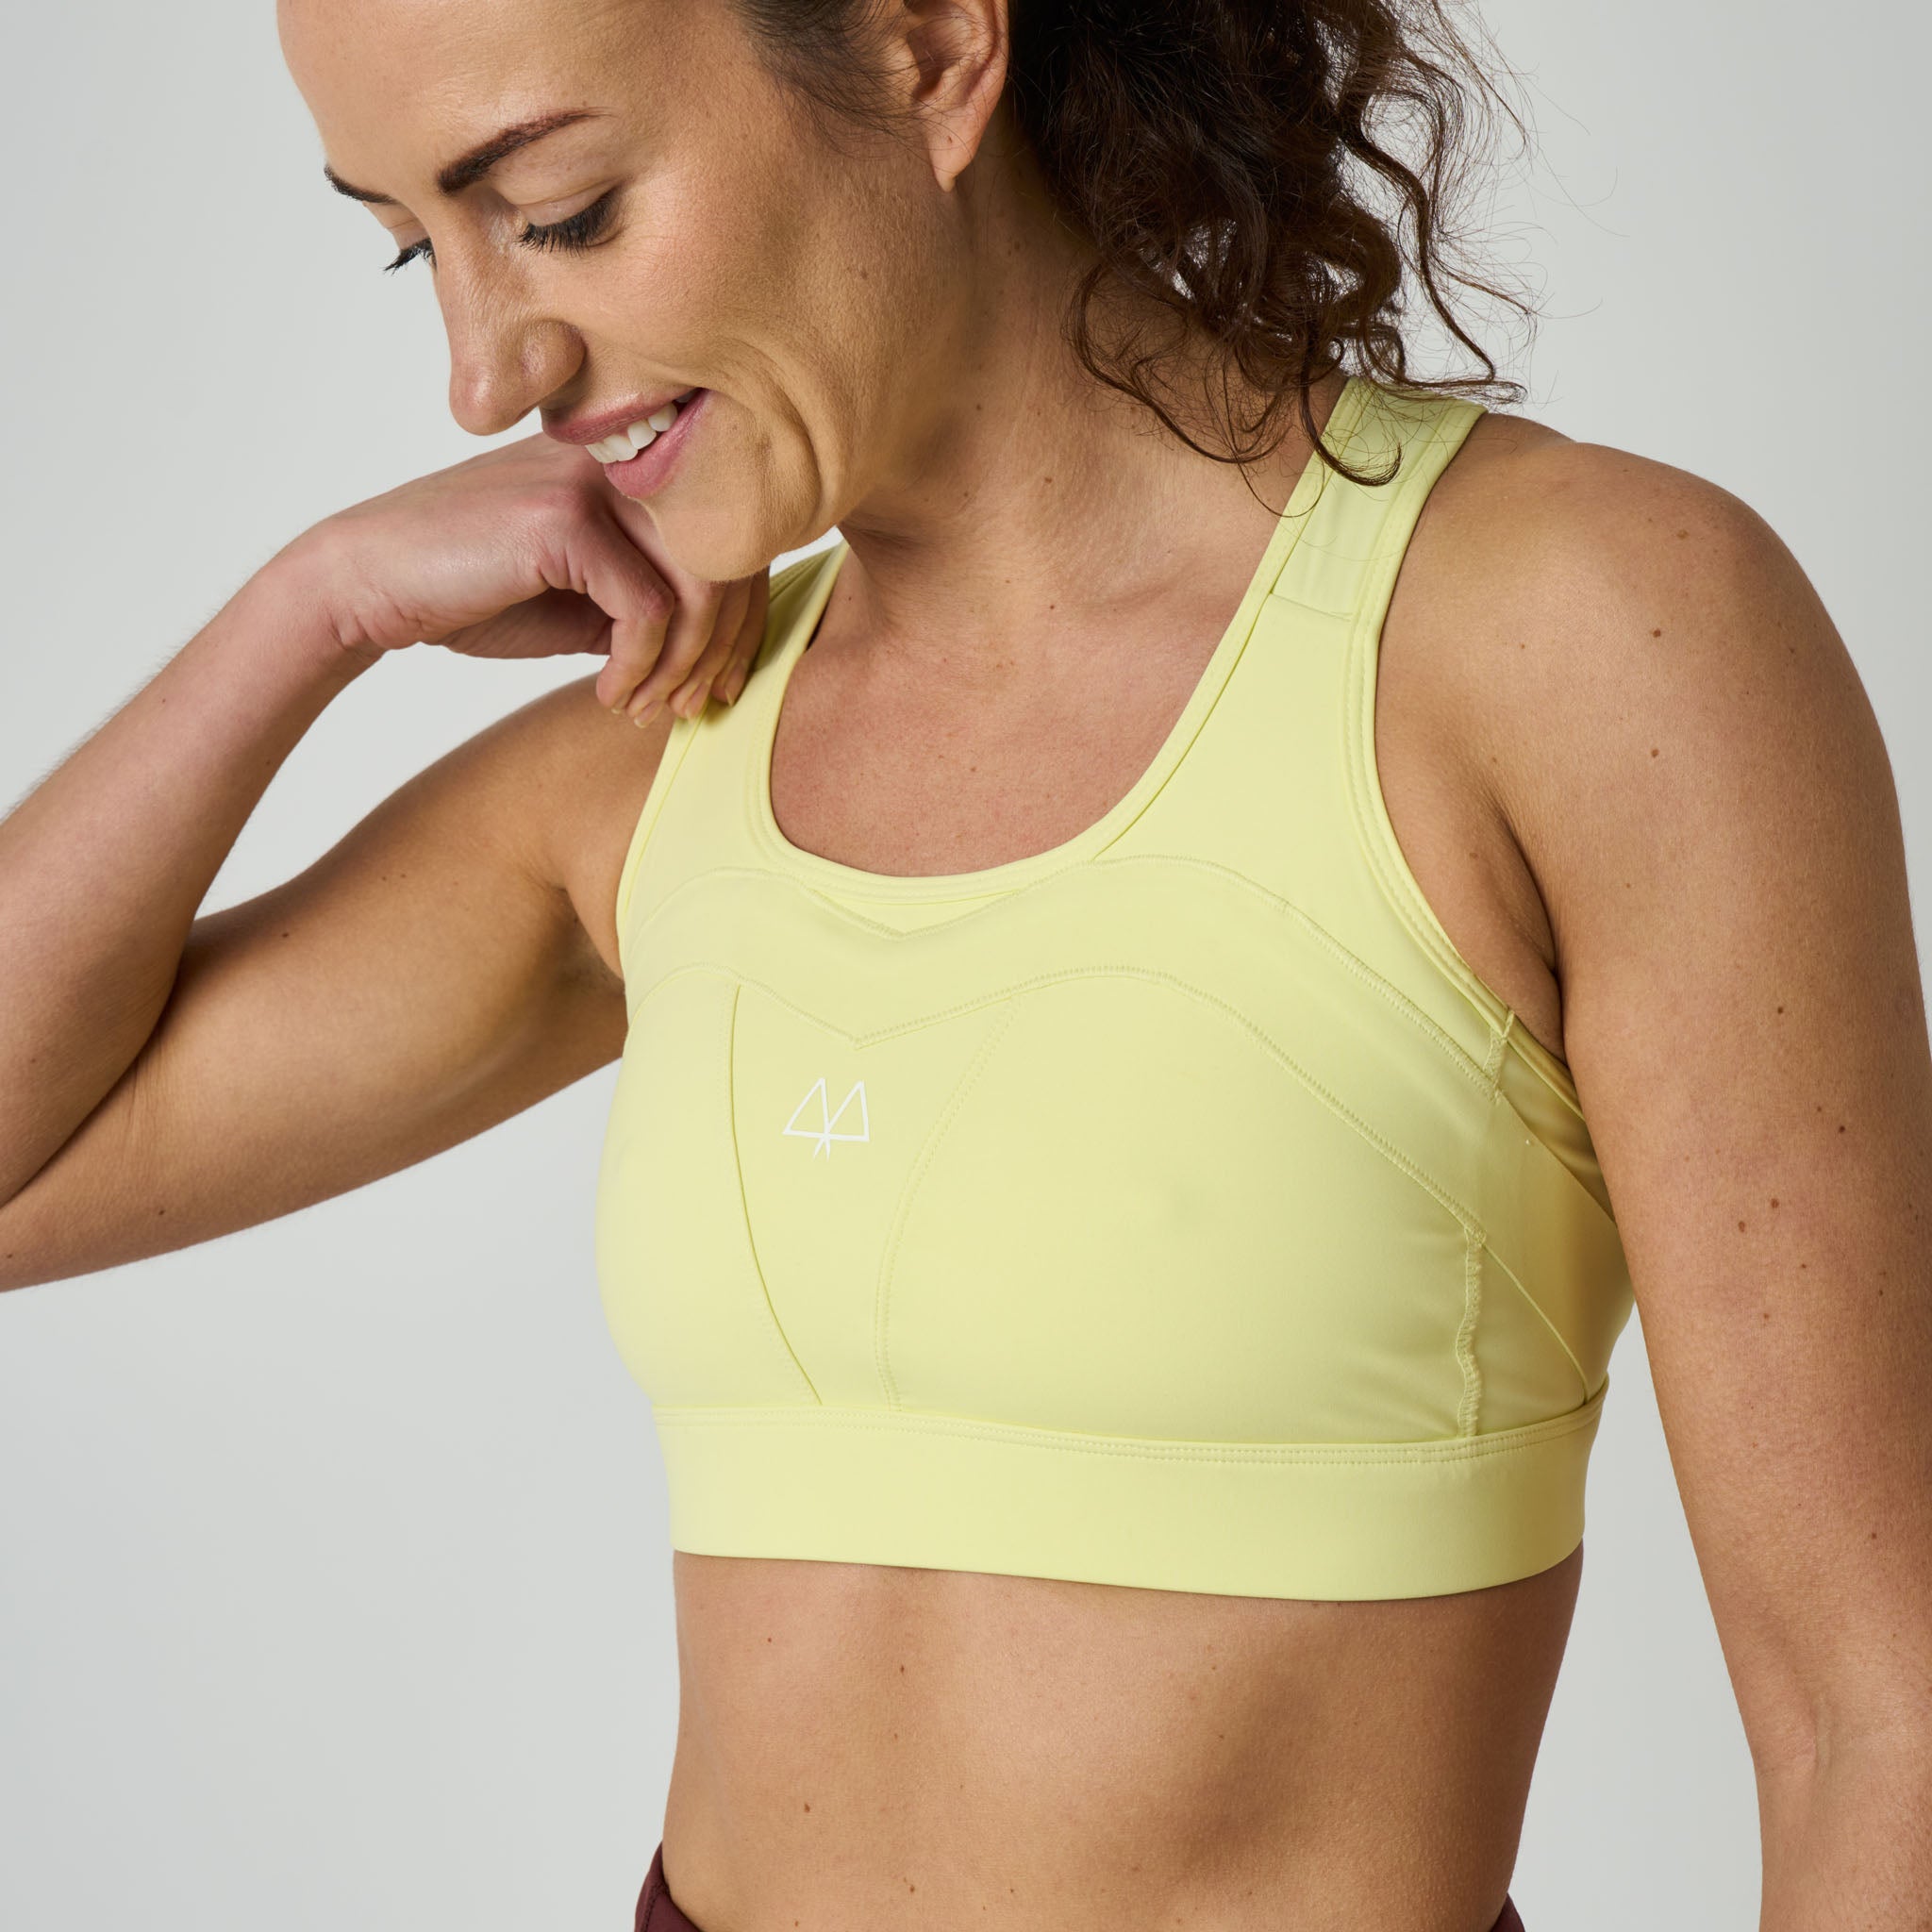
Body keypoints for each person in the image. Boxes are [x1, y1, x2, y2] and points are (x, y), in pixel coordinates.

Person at [3, 1, 1927, 1927]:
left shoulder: (1572, 634)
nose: (483, 373)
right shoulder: (667, 752)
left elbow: (1878, 1721)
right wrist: (313, 607)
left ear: (925, 46)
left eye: (564, 211)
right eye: (413, 246)